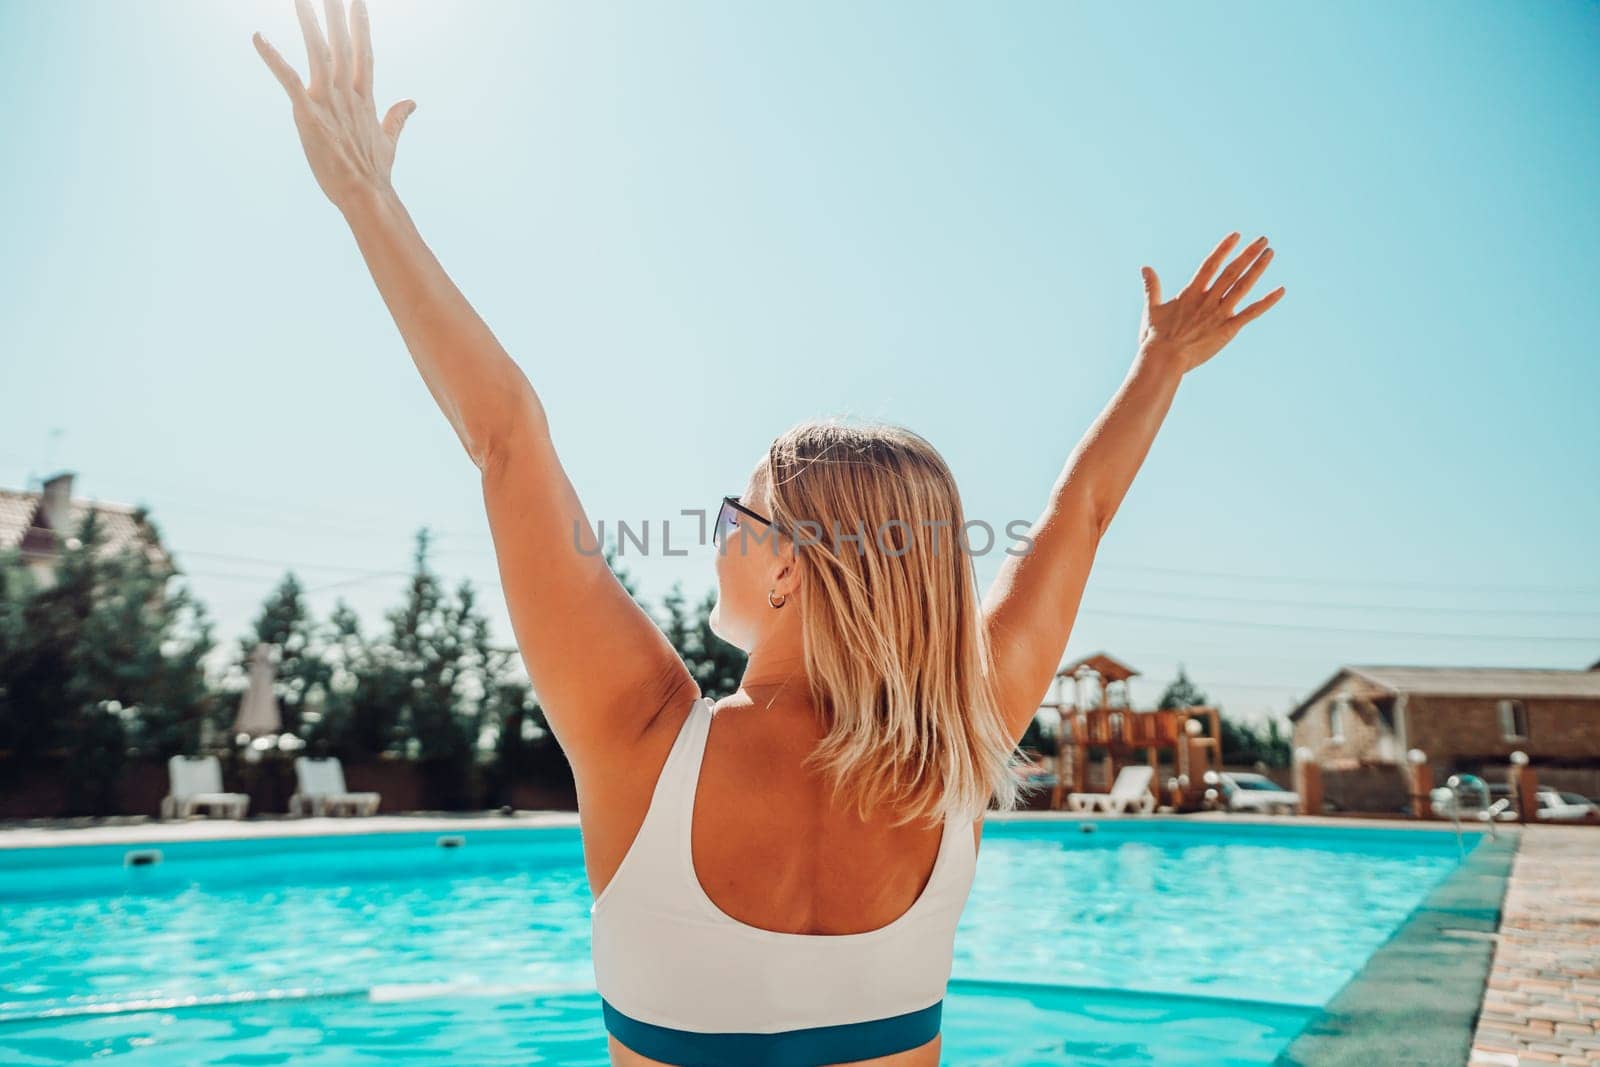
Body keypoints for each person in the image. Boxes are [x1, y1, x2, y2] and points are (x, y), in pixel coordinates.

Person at [252, 4, 1285, 1063]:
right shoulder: (953, 753)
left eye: (734, 513)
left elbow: (506, 436)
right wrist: (1157, 365)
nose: (715, 537)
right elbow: (1085, 515)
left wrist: (367, 200)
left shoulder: (643, 734)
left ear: (789, 564)